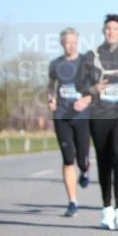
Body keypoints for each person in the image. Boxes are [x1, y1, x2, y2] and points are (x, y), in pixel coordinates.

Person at [74, 14, 118, 231]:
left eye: (115, 28)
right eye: (108, 28)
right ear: (103, 32)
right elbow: (80, 84)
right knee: (104, 160)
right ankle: (106, 208)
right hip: (99, 114)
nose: (111, 32)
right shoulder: (90, 57)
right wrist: (94, 90)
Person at [46, 27, 91, 217]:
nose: (69, 45)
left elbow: (96, 88)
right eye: (66, 42)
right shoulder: (55, 64)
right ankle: (72, 201)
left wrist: (86, 100)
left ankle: (85, 170)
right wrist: (51, 99)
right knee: (68, 158)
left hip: (82, 116)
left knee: (82, 158)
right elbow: (51, 86)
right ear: (62, 43)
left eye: (73, 42)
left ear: (77, 42)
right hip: (62, 116)